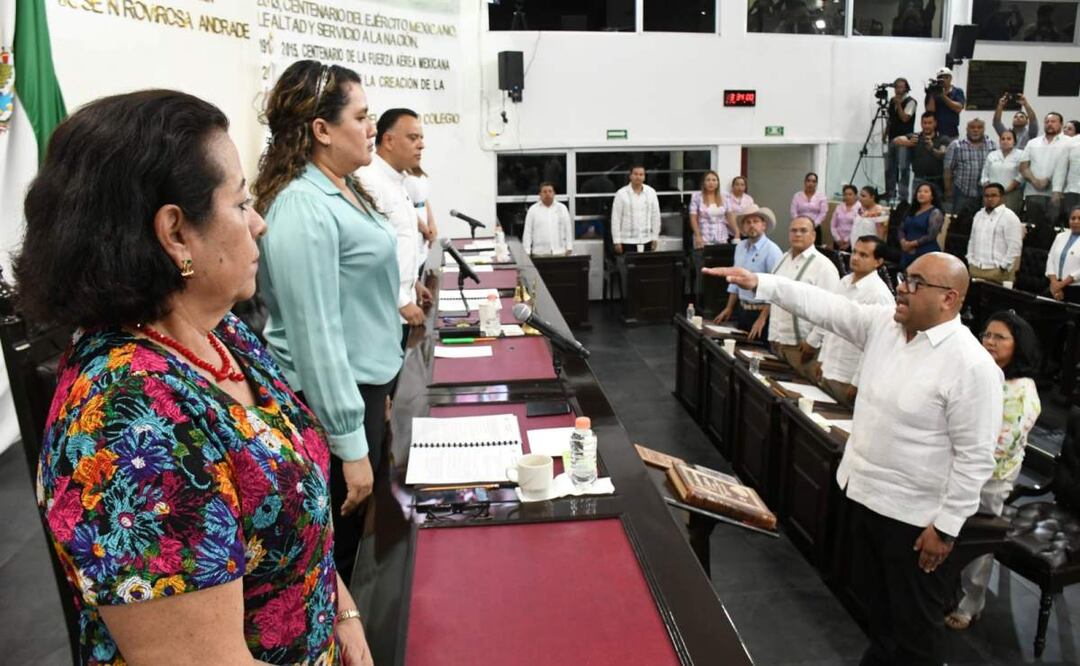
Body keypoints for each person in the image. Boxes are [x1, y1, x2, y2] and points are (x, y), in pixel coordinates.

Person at [18, 90, 372, 665]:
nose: (258, 224)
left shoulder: (219, 334)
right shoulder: (128, 421)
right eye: (240, 204)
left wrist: (344, 613)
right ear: (176, 233)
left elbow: (289, 515)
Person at [705, 253, 1003, 666]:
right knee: (878, 616)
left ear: (949, 298)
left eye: (915, 283)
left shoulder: (971, 365)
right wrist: (761, 283)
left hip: (915, 523)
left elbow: (975, 458)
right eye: (903, 278)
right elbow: (828, 307)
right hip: (863, 499)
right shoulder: (886, 327)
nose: (901, 287)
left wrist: (948, 527)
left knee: (915, 635)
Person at [254, 61, 403, 589]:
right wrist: (350, 445)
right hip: (331, 407)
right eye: (361, 117)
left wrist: (383, 384)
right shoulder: (301, 205)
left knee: (364, 546)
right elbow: (316, 337)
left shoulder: (341, 188)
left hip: (363, 391)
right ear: (321, 129)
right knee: (342, 557)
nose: (371, 128)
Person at [945, 311, 1041, 631]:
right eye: (987, 335)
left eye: (1000, 337)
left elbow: (1000, 446)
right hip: (958, 466)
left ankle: (971, 603)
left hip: (990, 478)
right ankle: (946, 590)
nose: (990, 342)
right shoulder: (982, 372)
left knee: (975, 542)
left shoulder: (1021, 390)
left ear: (1019, 346)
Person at [358, 108, 432, 347]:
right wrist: (401, 300)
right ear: (388, 140)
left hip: (402, 301)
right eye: (413, 138)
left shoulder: (397, 181)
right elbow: (367, 255)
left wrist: (413, 283)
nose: (421, 145)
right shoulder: (369, 182)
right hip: (385, 311)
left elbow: (399, 241)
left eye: (421, 138)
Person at [805, 236, 895, 405]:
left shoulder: (879, 294)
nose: (855, 258)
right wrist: (822, 360)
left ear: (878, 262)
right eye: (854, 252)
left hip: (849, 377)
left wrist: (857, 382)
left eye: (863, 255)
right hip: (830, 369)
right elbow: (831, 322)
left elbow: (875, 346)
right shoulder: (844, 281)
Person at [765, 217, 840, 379]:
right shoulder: (783, 258)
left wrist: (812, 342)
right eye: (794, 230)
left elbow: (830, 310)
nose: (797, 234)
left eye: (803, 231)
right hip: (778, 340)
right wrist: (773, 334)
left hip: (802, 346)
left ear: (813, 235)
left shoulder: (824, 266)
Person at [713, 205, 783, 339]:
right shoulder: (740, 247)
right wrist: (729, 307)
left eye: (756, 221)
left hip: (762, 314)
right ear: (743, 227)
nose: (752, 225)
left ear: (763, 225)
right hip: (742, 309)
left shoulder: (772, 251)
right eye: (747, 222)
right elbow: (735, 280)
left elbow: (776, 290)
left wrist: (762, 319)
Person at [1018, 112, 1069, 248]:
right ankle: (1033, 262)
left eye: (1053, 121)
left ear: (1061, 124)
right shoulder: (1033, 142)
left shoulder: (1069, 143)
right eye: (1047, 121)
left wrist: (1049, 180)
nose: (1050, 124)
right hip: (1033, 193)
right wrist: (1035, 181)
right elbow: (1023, 166)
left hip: (1058, 194)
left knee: (1054, 232)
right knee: (1033, 230)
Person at [966, 183, 1024, 285]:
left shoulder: (1010, 217)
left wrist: (1003, 266)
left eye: (993, 195)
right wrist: (970, 259)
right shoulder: (978, 215)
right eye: (987, 196)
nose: (989, 199)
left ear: (1002, 197)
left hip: (997, 271)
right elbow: (972, 240)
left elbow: (1015, 246)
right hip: (975, 268)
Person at [944, 119, 996, 214]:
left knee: (982, 223)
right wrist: (948, 190)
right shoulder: (956, 145)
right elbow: (948, 169)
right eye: (972, 127)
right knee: (959, 222)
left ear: (983, 129)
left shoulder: (991, 145)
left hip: (984, 194)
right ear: (967, 129)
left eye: (979, 127)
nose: (975, 130)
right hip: (962, 192)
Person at [894, 112, 950, 194]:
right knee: (916, 206)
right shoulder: (915, 137)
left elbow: (942, 154)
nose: (927, 126)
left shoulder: (943, 138)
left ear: (935, 123)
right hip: (918, 180)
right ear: (921, 123)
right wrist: (909, 143)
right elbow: (896, 140)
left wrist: (931, 148)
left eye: (930, 123)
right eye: (924, 123)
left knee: (937, 206)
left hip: (937, 180)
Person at [611, 164, 661, 255]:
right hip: (627, 240)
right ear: (630, 176)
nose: (638, 177)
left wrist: (655, 237)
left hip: (647, 239)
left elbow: (655, 216)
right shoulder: (621, 194)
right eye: (635, 174)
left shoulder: (651, 192)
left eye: (641, 174)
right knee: (628, 268)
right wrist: (617, 241)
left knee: (645, 267)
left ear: (644, 177)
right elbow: (616, 218)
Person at [885, 78, 917, 204]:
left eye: (901, 87)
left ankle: (903, 197)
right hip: (892, 137)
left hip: (905, 139)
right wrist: (885, 133)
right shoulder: (891, 101)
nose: (898, 89)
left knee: (903, 168)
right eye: (896, 87)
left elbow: (905, 118)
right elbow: (890, 119)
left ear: (906, 88)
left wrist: (898, 104)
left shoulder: (911, 102)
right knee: (890, 167)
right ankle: (890, 193)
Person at [900, 182, 945, 269]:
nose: (921, 194)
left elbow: (931, 235)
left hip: (925, 252)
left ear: (932, 196)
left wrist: (912, 244)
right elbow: (901, 228)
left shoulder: (935, 213)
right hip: (906, 251)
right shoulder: (911, 210)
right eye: (919, 191)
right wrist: (903, 241)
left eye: (926, 192)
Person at [522, 181, 573, 256]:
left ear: (554, 193)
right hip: (539, 253)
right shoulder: (533, 210)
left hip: (560, 252)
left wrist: (569, 247)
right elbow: (528, 231)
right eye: (545, 192)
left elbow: (568, 229)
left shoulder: (562, 208)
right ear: (540, 194)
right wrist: (527, 250)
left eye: (550, 191)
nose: (548, 194)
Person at [980, 129, 1024, 215]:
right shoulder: (992, 155)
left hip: (1011, 194)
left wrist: (1005, 191)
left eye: (1009, 139)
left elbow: (1021, 176)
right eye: (1003, 139)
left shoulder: (1021, 155)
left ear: (1014, 141)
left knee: (1008, 219)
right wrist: (990, 190)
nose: (1005, 141)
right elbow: (984, 175)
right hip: (991, 195)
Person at [404, 164, 437, 276]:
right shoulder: (398, 172)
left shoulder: (415, 167)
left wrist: (432, 223)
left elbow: (424, 199)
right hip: (412, 221)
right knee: (413, 263)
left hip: (423, 215)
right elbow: (405, 205)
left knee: (423, 259)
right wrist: (425, 229)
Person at [690, 170, 735, 248]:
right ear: (704, 183)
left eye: (714, 180)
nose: (711, 183)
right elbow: (693, 218)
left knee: (720, 259)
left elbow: (730, 216)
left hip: (721, 237)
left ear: (718, 183)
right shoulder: (696, 197)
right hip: (703, 236)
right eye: (708, 180)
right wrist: (697, 235)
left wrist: (737, 232)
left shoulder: (725, 197)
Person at [1046, 205, 1080, 301]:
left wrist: (1061, 285)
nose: (1076, 221)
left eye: (1079, 219)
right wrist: (1054, 283)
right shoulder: (1060, 236)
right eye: (1073, 218)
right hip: (1054, 285)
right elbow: (1050, 258)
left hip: (1075, 289)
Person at [925, 67, 966, 138]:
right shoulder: (934, 92)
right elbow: (930, 111)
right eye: (940, 78)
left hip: (951, 132)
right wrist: (931, 92)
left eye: (946, 77)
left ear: (951, 78)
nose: (943, 80)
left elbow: (958, 109)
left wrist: (943, 96)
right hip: (935, 132)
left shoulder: (957, 91)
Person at [790, 172, 828, 243]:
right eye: (808, 180)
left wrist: (813, 225)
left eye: (813, 181)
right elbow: (793, 212)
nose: (811, 183)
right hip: (799, 228)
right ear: (804, 182)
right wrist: (800, 224)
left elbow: (823, 213)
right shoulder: (797, 196)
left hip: (815, 228)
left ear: (816, 184)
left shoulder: (821, 196)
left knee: (815, 250)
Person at [830, 185, 860, 251]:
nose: (847, 197)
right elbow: (833, 225)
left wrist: (847, 241)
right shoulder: (839, 207)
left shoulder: (860, 209)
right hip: (837, 241)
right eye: (845, 194)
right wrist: (837, 239)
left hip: (852, 242)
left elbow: (857, 228)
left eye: (850, 194)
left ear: (855, 195)